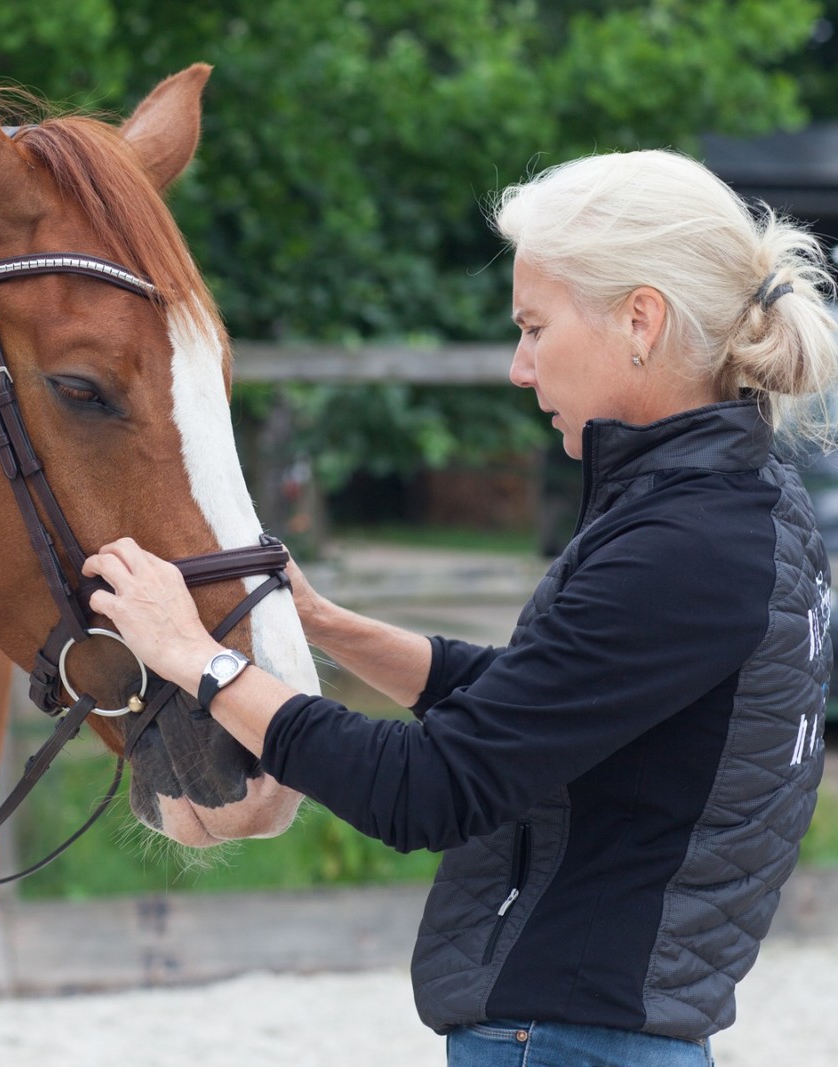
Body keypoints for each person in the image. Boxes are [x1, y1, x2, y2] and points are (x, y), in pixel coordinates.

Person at [83, 149, 837, 1066]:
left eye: (534, 327)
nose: (521, 368)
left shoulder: (684, 544)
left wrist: (194, 658)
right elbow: (539, 704)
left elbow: (432, 790)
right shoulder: (743, 503)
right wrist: (329, 626)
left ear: (640, 319)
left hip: (565, 1039)